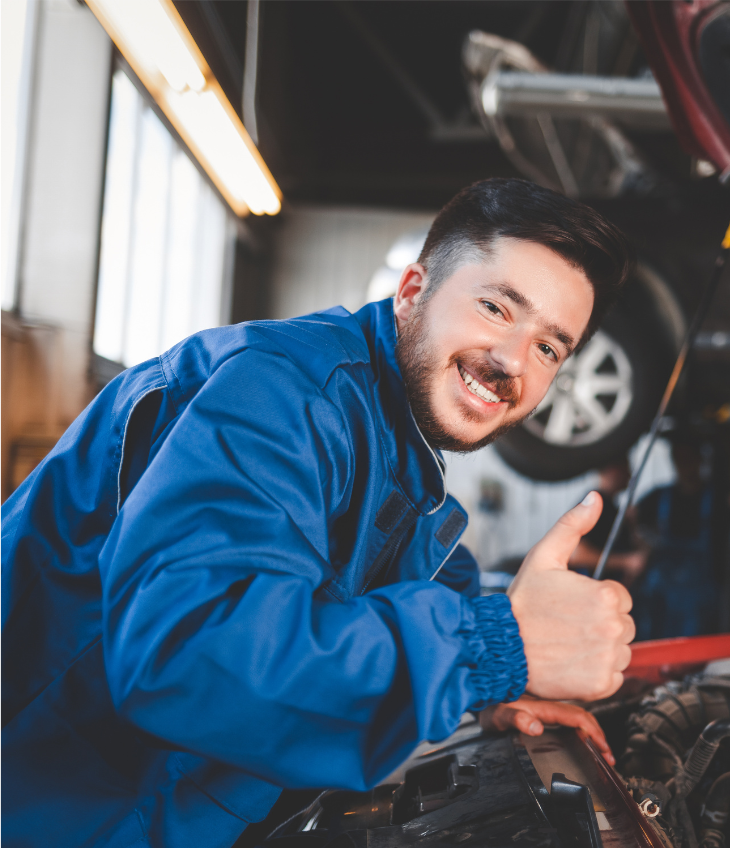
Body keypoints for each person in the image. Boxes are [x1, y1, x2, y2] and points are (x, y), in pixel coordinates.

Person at [0, 179, 636, 847]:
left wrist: (492, 681)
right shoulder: (279, 392)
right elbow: (188, 654)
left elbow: (408, 577)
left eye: (548, 348)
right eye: (495, 307)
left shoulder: (394, 448)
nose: (512, 361)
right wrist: (491, 646)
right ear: (412, 289)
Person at [633, 438, 719, 641]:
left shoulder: (716, 497)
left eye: (688, 458)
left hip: (698, 596)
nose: (683, 463)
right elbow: (632, 518)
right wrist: (642, 544)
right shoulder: (658, 496)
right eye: (678, 458)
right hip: (661, 593)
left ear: (700, 459)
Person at [568, 460, 647, 586]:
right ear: (612, 469)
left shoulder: (612, 508)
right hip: (590, 589)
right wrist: (627, 561)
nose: (630, 473)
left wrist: (632, 524)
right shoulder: (595, 505)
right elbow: (576, 553)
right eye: (626, 466)